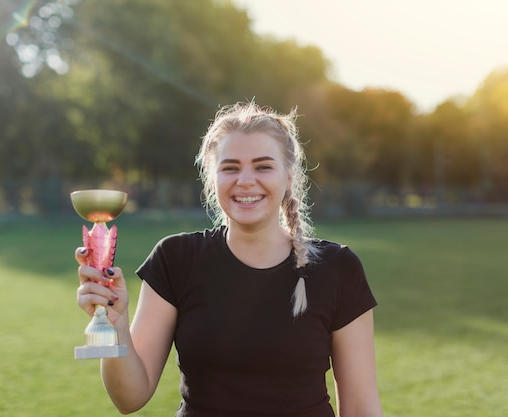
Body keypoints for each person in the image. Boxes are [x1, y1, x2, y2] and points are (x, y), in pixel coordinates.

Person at [75, 102, 383, 417]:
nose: (245, 180)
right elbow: (129, 398)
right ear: (213, 179)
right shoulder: (175, 259)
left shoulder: (337, 268)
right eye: (230, 167)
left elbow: (361, 409)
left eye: (263, 166)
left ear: (289, 177)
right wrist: (115, 325)